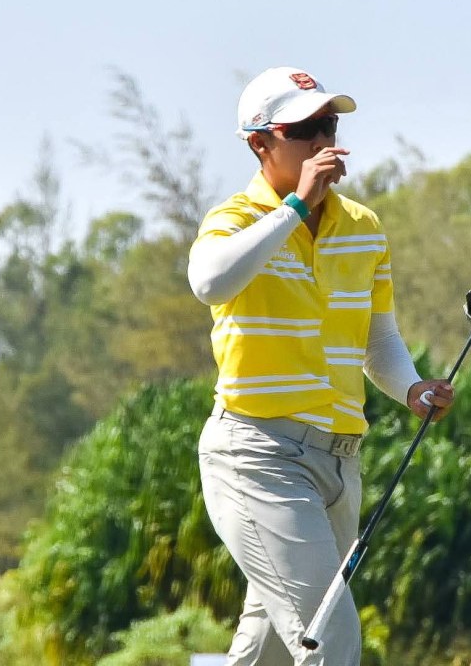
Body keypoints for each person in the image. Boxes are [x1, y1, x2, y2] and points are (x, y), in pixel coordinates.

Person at [188, 66, 455, 666]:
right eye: (303, 129)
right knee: (328, 641)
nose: (322, 140)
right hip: (259, 455)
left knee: (269, 653)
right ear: (260, 143)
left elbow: (378, 339)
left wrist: (412, 389)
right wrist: (294, 206)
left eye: (328, 125)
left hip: (340, 463)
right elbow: (209, 282)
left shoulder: (363, 228)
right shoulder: (236, 219)